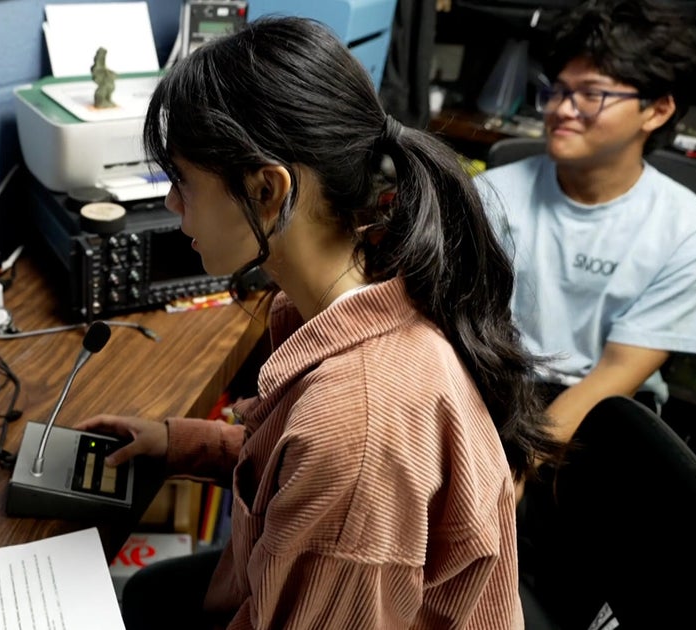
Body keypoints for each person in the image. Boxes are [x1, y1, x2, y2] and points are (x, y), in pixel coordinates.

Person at [76, 16, 555, 630]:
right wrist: (183, 443)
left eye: (183, 183)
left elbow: (335, 469)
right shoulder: (367, 285)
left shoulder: (354, 428)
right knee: (148, 592)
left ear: (268, 190)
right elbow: (294, 466)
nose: (172, 206)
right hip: (294, 583)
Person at [475, 0, 696, 446]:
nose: (562, 109)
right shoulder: (489, 194)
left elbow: (615, 375)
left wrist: (512, 476)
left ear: (657, 110)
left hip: (605, 409)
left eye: (592, 94)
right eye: (557, 90)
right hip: (491, 387)